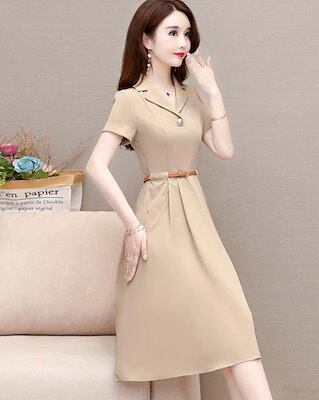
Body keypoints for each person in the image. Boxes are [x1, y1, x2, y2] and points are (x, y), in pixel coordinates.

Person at [86, 0, 274, 398]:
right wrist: (134, 227)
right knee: (207, 337)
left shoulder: (191, 97)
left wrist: (213, 92)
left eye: (187, 34)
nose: (183, 42)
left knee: (234, 328)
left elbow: (224, 149)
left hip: (197, 220)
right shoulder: (130, 100)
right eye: (172, 33)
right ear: (146, 40)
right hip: (158, 225)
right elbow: (96, 167)